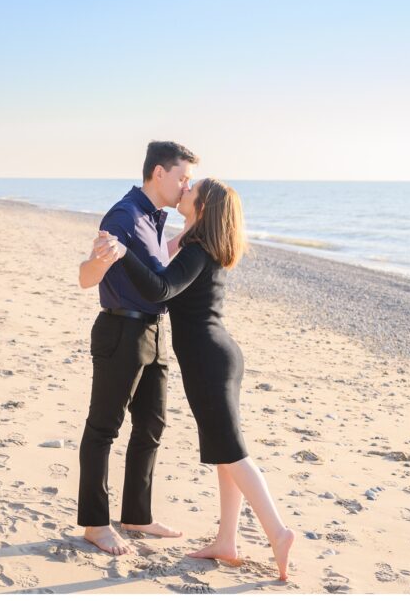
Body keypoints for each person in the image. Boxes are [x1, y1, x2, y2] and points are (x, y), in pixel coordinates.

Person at [94, 178, 295, 581]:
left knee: (233, 453)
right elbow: (164, 266)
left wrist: (123, 254)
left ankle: (277, 531)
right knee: (225, 452)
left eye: (192, 189)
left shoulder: (199, 250)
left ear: (202, 206)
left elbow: (160, 289)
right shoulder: (199, 245)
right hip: (219, 354)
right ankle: (226, 541)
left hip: (209, 361)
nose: (184, 189)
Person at [76, 140, 199, 555]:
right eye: (182, 177)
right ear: (159, 173)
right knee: (103, 429)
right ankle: (95, 524)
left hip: (154, 330)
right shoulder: (124, 213)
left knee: (151, 425)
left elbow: (153, 264)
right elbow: (86, 277)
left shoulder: (154, 216)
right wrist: (102, 260)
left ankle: (136, 515)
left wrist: (185, 238)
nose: (187, 185)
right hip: (120, 332)